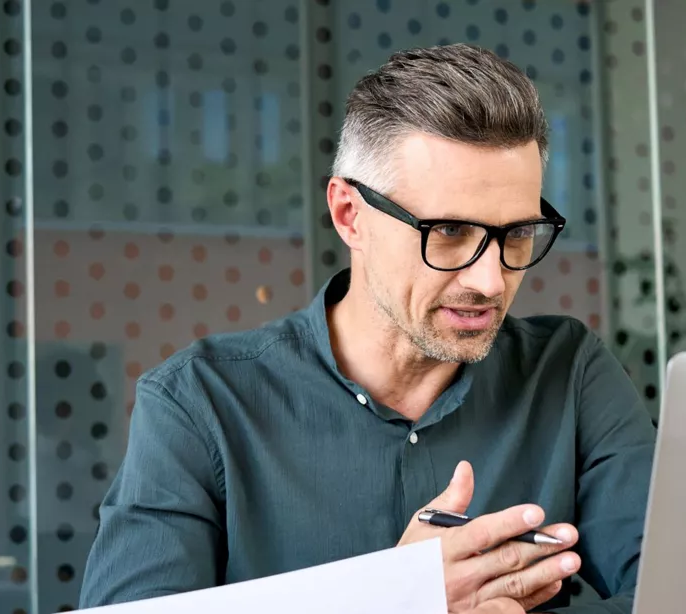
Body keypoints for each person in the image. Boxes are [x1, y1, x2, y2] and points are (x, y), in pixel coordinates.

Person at [79, 43, 655, 614]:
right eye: (450, 231)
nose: (490, 281)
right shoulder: (197, 404)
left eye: (517, 234)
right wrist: (396, 598)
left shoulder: (570, 372)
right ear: (349, 215)